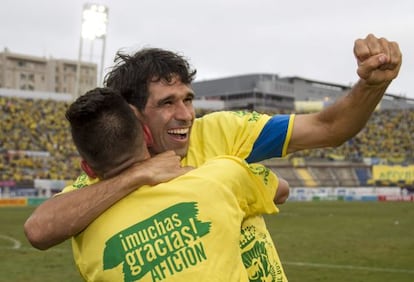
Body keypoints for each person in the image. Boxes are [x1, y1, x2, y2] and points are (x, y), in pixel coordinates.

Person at [24, 33, 401, 281]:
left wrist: (372, 85)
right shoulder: (103, 176)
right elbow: (39, 230)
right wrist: (138, 176)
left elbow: (328, 128)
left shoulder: (219, 131)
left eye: (187, 99)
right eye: (167, 103)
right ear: (132, 114)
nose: (186, 115)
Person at [66, 87, 282, 281]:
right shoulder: (220, 176)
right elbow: (280, 190)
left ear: (88, 169)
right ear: (147, 135)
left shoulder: (84, 234)